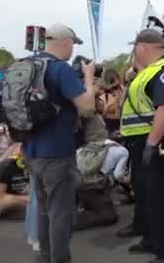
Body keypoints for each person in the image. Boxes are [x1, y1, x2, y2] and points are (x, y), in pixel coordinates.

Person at [23, 23, 97, 263]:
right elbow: (87, 108)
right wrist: (88, 77)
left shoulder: (29, 65)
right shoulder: (60, 69)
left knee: (45, 210)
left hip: (32, 151)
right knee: (61, 214)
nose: (72, 50)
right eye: (73, 45)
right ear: (66, 42)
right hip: (57, 152)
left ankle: (44, 257)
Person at [120, 29, 164, 263]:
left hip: (162, 142)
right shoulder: (149, 72)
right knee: (148, 197)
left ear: (143, 47)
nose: (134, 52)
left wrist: (151, 144)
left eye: (135, 48)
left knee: (162, 200)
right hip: (145, 141)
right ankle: (151, 240)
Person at [0, 145, 30, 220]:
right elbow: (0, 197)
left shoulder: (34, 167)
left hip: (21, 203)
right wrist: (27, 199)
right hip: (1, 205)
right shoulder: (7, 166)